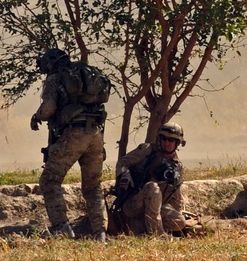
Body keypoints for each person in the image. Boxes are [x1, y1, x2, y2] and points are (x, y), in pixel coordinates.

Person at [31, 48, 107, 240]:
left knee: (49, 180)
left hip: (74, 133)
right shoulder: (84, 75)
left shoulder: (55, 79)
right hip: (96, 133)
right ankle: (100, 233)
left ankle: (61, 228)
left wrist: (36, 117)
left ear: (49, 65)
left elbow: (49, 108)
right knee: (93, 186)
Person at [112, 122, 197, 236]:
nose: (166, 142)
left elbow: (176, 195)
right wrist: (125, 175)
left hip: (157, 207)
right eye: (163, 138)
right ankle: (156, 235)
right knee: (152, 188)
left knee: (179, 222)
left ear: (177, 143)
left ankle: (139, 227)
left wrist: (178, 212)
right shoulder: (147, 150)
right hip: (133, 204)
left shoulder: (177, 166)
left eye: (171, 140)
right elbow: (123, 162)